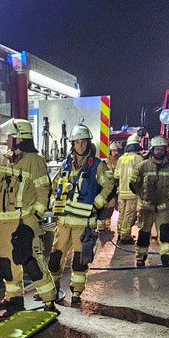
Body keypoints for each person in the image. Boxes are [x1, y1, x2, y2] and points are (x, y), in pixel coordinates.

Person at [0, 119, 58, 312]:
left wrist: (34, 216)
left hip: (24, 221)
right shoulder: (7, 159)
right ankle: (13, 298)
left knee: (31, 263)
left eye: (11, 136)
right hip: (5, 221)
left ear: (20, 138)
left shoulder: (35, 161)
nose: (8, 139)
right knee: (7, 264)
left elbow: (44, 190)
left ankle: (48, 300)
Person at [49, 124, 112, 307]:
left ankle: (76, 292)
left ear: (88, 144)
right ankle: (52, 288)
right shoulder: (66, 164)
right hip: (64, 222)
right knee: (55, 257)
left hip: (84, 223)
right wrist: (55, 203)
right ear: (72, 145)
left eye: (83, 142)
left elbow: (109, 185)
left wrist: (97, 204)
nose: (80, 146)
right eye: (77, 143)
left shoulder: (97, 166)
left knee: (79, 260)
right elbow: (55, 187)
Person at [134, 135, 169, 268]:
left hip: (163, 207)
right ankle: (140, 258)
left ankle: (166, 257)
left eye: (161, 148)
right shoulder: (143, 166)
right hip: (146, 207)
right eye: (157, 148)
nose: (159, 151)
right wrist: (142, 195)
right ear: (152, 150)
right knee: (144, 233)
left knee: (165, 232)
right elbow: (133, 184)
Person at [112, 132, 144, 245]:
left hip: (121, 192)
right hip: (132, 193)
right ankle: (125, 236)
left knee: (122, 214)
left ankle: (120, 233)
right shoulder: (138, 159)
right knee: (129, 214)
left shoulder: (121, 159)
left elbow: (116, 176)